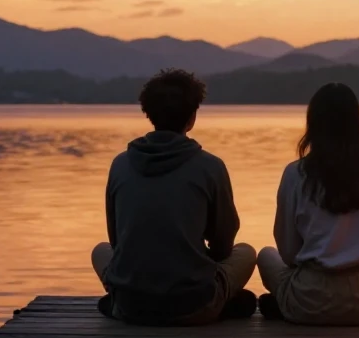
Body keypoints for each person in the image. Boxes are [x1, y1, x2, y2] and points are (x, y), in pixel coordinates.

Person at [91, 68, 257, 324]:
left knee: (100, 251)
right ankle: (220, 302)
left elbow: (116, 242)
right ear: (191, 118)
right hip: (193, 303)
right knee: (246, 252)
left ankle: (120, 301)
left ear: (149, 114)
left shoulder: (120, 164)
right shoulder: (210, 166)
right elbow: (224, 242)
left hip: (131, 304)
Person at [258, 82, 359, 325]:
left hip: (311, 301)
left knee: (265, 255)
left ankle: (286, 303)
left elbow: (288, 252)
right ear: (357, 125)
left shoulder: (295, 174)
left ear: (313, 125)